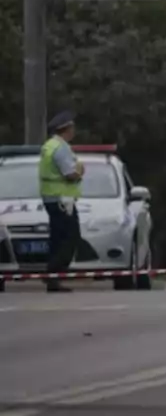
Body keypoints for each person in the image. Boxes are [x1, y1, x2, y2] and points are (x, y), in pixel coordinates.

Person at [39, 111, 84, 293]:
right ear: (66, 129)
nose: (74, 131)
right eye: (72, 127)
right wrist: (80, 171)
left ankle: (53, 281)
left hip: (51, 197)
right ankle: (52, 272)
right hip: (62, 199)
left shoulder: (49, 145)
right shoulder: (61, 148)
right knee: (71, 237)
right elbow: (69, 173)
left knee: (57, 238)